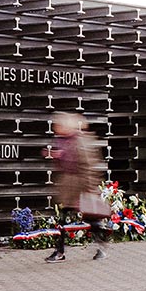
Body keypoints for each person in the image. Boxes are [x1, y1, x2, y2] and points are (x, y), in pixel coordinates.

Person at [43, 112, 111, 262]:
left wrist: (89, 191)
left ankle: (102, 245)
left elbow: (88, 167)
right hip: (69, 188)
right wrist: (57, 156)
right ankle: (59, 252)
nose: (56, 128)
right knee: (62, 220)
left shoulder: (80, 141)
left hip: (81, 188)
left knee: (91, 221)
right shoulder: (63, 141)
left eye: (58, 125)